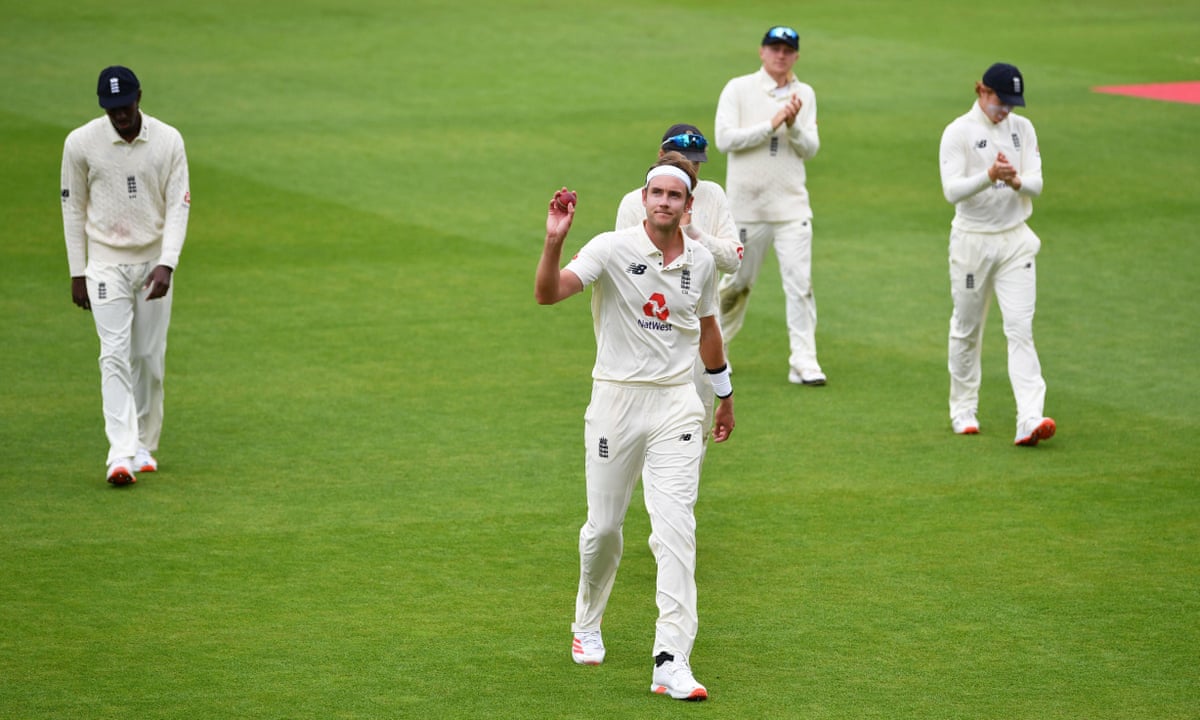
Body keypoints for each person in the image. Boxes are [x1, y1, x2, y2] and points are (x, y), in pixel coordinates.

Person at [536, 156, 735, 701]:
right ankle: (586, 621)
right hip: (616, 402)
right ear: (644, 199)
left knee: (676, 532)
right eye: (657, 194)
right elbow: (548, 294)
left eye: (675, 195)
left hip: (676, 405)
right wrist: (554, 242)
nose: (665, 202)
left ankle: (671, 660)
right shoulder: (611, 247)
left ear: (689, 206)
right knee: (603, 529)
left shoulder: (701, 261)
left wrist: (723, 395)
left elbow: (708, 330)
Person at [61, 65, 191, 485]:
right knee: (113, 354)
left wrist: (167, 262)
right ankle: (120, 453)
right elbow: (72, 208)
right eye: (110, 108)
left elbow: (178, 206)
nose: (119, 114)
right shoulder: (81, 143)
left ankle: (145, 445)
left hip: (152, 260)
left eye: (124, 105)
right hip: (105, 264)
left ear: (139, 97)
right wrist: (77, 271)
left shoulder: (168, 140)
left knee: (148, 357)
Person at [938, 62, 1055, 446]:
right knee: (967, 328)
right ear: (982, 91)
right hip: (972, 242)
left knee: (1020, 329)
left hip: (1016, 240)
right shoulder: (958, 132)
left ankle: (1029, 417)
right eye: (1001, 101)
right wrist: (989, 176)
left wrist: (1015, 179)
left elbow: (1036, 182)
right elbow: (952, 192)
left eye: (1012, 103)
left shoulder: (1022, 129)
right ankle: (963, 409)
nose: (1006, 110)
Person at [615, 127, 741, 448]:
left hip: (698, 332)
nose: (692, 171)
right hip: (648, 335)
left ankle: (681, 500)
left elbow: (733, 259)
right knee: (639, 435)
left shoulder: (712, 195)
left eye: (697, 164)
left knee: (693, 429)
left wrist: (696, 235)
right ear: (661, 157)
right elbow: (628, 270)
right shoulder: (634, 204)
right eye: (685, 162)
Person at [713, 25, 825, 385]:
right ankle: (715, 353)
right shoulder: (738, 88)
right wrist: (771, 123)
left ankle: (804, 362)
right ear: (762, 52)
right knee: (736, 284)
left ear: (796, 55)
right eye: (774, 48)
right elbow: (725, 140)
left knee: (800, 284)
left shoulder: (804, 94)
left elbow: (810, 149)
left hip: (792, 208)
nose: (781, 55)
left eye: (788, 50)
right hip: (746, 208)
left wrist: (791, 126)